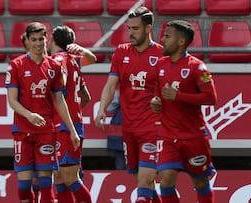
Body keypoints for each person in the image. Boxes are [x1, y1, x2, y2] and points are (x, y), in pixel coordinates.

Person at [5, 22, 80, 203]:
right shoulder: (16, 65)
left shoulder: (54, 67)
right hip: (22, 131)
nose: (38, 43)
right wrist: (29, 115)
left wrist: (72, 130)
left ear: (47, 40)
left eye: (41, 39)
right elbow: (12, 101)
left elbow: (60, 101)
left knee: (46, 183)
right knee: (24, 187)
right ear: (28, 41)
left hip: (47, 131)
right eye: (34, 40)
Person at [94, 6, 163, 203]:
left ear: (148, 28)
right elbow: (111, 84)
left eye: (135, 28)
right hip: (129, 127)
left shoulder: (162, 54)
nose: (131, 33)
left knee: (144, 181)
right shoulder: (121, 52)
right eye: (129, 28)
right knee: (141, 180)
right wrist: (101, 109)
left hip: (152, 126)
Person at [150, 20, 217, 203]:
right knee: (165, 181)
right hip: (167, 135)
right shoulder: (161, 65)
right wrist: (156, 100)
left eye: (167, 36)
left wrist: (178, 96)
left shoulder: (198, 67)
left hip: (193, 136)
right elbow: (159, 89)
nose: (162, 39)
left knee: (200, 183)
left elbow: (211, 98)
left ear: (181, 41)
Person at [49, 25, 96, 203]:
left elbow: (60, 86)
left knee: (70, 178)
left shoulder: (57, 60)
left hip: (65, 125)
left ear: (52, 40)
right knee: (60, 178)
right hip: (68, 122)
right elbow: (87, 97)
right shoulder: (73, 61)